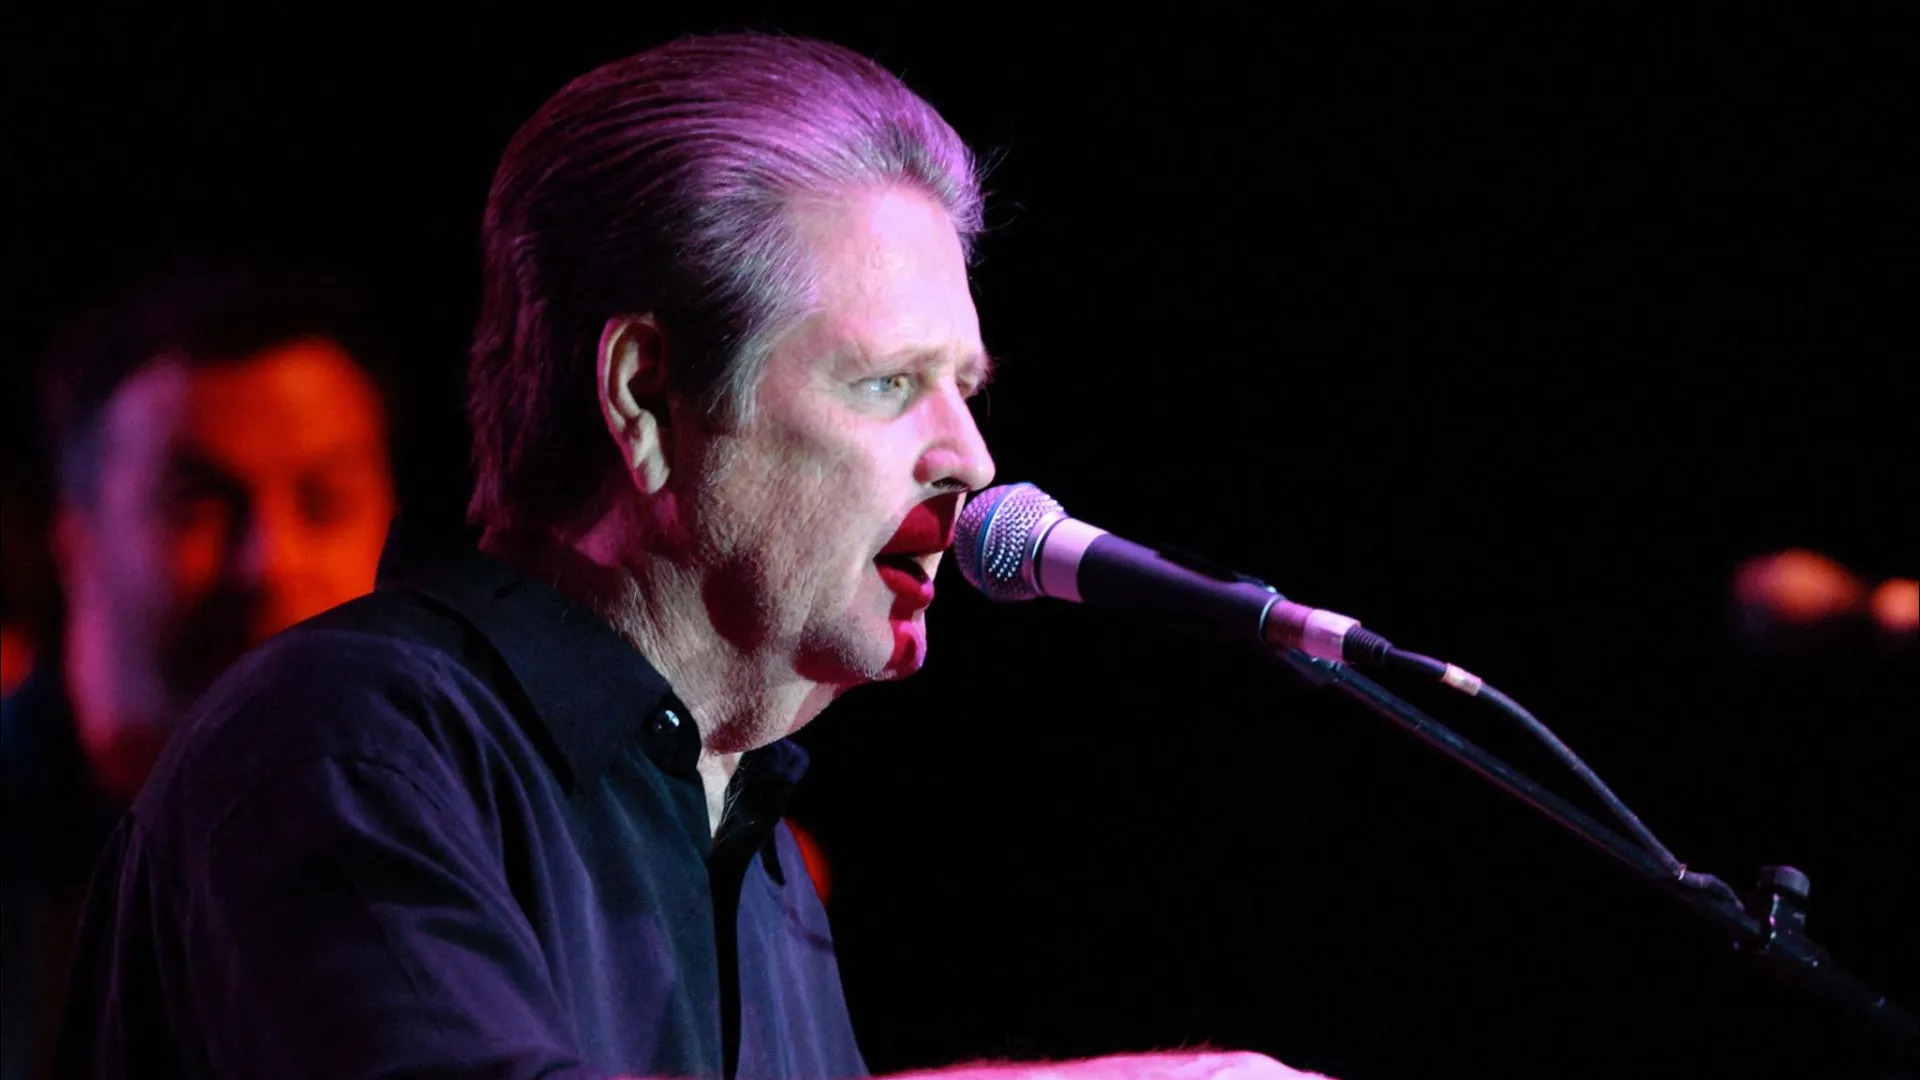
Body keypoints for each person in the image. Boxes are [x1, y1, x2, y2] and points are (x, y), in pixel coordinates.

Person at [55, 35, 1329, 1080]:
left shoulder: (757, 854)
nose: (971, 459)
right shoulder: (349, 744)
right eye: (889, 384)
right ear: (647, 394)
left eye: (966, 386)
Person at [2, 259, 397, 1080]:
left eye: (324, 499)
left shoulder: (448, 834)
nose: (272, 562)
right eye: (197, 504)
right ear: (74, 540)